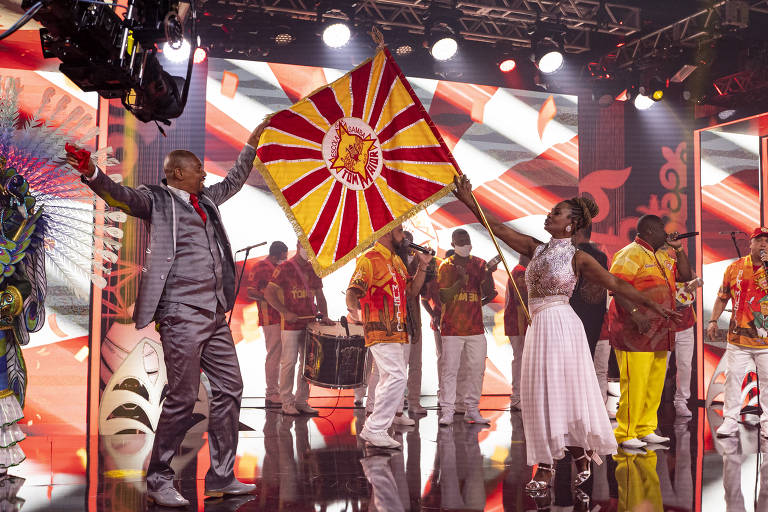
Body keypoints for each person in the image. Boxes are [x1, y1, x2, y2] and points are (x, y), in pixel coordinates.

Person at [70, 122, 268, 506]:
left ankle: (221, 477)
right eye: (197, 168)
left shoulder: (207, 200)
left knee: (230, 387)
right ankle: (159, 477)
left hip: (213, 311)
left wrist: (252, 144)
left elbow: (235, 180)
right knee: (181, 396)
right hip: (180, 312)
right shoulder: (156, 199)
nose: (204, 173)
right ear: (178, 172)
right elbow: (119, 197)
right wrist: (92, 173)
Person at [452, 176, 675, 492]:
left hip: (563, 328)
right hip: (539, 329)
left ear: (571, 226)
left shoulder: (578, 257)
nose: (549, 215)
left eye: (556, 213)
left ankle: (546, 466)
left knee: (560, 396)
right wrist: (467, 199)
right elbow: (496, 229)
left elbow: (617, 284)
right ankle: (578, 455)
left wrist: (654, 305)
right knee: (538, 397)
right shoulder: (535, 248)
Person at [608, 215, 692, 450]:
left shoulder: (664, 254)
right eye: (662, 230)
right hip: (634, 332)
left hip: (660, 331)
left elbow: (685, 277)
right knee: (634, 383)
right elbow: (615, 286)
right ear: (650, 231)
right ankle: (625, 432)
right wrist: (635, 313)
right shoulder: (629, 253)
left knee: (654, 382)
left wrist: (680, 250)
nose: (666, 234)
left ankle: (645, 428)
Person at [346, 225, 431, 448]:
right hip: (379, 327)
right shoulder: (370, 258)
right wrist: (353, 311)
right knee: (396, 376)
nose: (403, 236)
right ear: (386, 232)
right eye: (400, 231)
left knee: (391, 377)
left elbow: (411, 292)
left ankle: (377, 428)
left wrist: (422, 266)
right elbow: (353, 289)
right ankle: (374, 427)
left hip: (398, 329)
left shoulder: (396, 261)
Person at [707, 227, 768, 438]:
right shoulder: (735, 268)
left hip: (766, 340)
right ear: (750, 243)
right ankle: (730, 420)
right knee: (733, 378)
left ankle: (767, 423)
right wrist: (713, 320)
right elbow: (722, 296)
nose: (763, 245)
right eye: (759, 240)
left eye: (767, 242)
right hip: (738, 338)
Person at [265, 240, 333, 416]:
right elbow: (268, 293)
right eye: (307, 247)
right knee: (289, 362)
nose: (309, 251)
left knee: (308, 364)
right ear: (299, 245)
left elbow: (320, 295)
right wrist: (285, 312)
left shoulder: (314, 268)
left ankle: (301, 401)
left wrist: (324, 315)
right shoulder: (285, 267)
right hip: (290, 325)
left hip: (310, 324)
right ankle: (286, 402)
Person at [437, 229, 496, 426]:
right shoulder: (446, 266)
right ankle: (447, 410)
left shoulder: (479, 264)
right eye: (460, 241)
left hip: (475, 328)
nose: (464, 244)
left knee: (477, 369)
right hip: (452, 328)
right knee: (450, 370)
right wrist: (460, 282)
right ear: (452, 244)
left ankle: (472, 409)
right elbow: (443, 296)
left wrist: (488, 274)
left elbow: (489, 292)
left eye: (467, 240)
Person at [247, 241, 288, 408]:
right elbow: (251, 291)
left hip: (284, 317)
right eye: (283, 257)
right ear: (275, 255)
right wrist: (269, 297)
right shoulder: (260, 267)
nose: (284, 260)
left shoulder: (283, 268)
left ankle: (280, 391)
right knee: (274, 354)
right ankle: (271, 393)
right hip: (269, 317)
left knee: (284, 357)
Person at [570, 225, 608, 357]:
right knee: (587, 357)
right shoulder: (601, 256)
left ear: (579, 233)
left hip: (573, 313)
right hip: (596, 314)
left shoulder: (574, 255)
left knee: (571, 357)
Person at [671, 272, 700, 418]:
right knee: (660, 366)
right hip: (664, 324)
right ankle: (651, 403)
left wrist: (696, 282)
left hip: (686, 324)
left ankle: (681, 401)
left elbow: (696, 279)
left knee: (685, 365)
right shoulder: (657, 265)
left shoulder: (681, 264)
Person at [505, 255, 529, 412]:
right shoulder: (520, 272)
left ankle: (520, 396)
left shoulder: (522, 271)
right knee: (520, 359)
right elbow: (521, 301)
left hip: (519, 323)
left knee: (521, 359)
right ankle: (517, 397)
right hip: (518, 323)